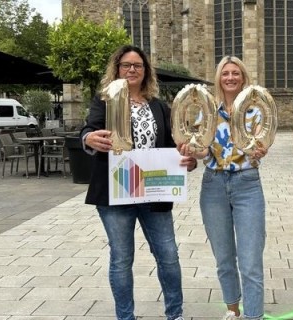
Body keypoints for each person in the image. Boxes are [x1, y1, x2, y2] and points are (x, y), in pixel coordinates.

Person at [80, 45, 197, 320]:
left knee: (168, 256)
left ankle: (175, 314)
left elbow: (173, 145)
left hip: (154, 191)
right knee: (122, 260)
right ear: (117, 69)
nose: (132, 69)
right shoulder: (105, 100)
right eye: (126, 65)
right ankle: (125, 316)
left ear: (146, 72)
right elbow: (88, 128)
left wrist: (187, 162)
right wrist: (88, 138)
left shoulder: (159, 106)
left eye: (138, 65)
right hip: (116, 193)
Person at [178, 56, 268, 320]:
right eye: (225, 73)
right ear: (218, 78)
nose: (230, 77)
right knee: (224, 257)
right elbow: (200, 147)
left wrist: (261, 150)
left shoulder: (255, 111)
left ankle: (254, 316)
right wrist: (190, 151)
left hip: (247, 183)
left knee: (250, 261)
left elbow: (261, 144)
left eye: (235, 73)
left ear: (243, 77)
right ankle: (233, 309)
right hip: (213, 184)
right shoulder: (206, 111)